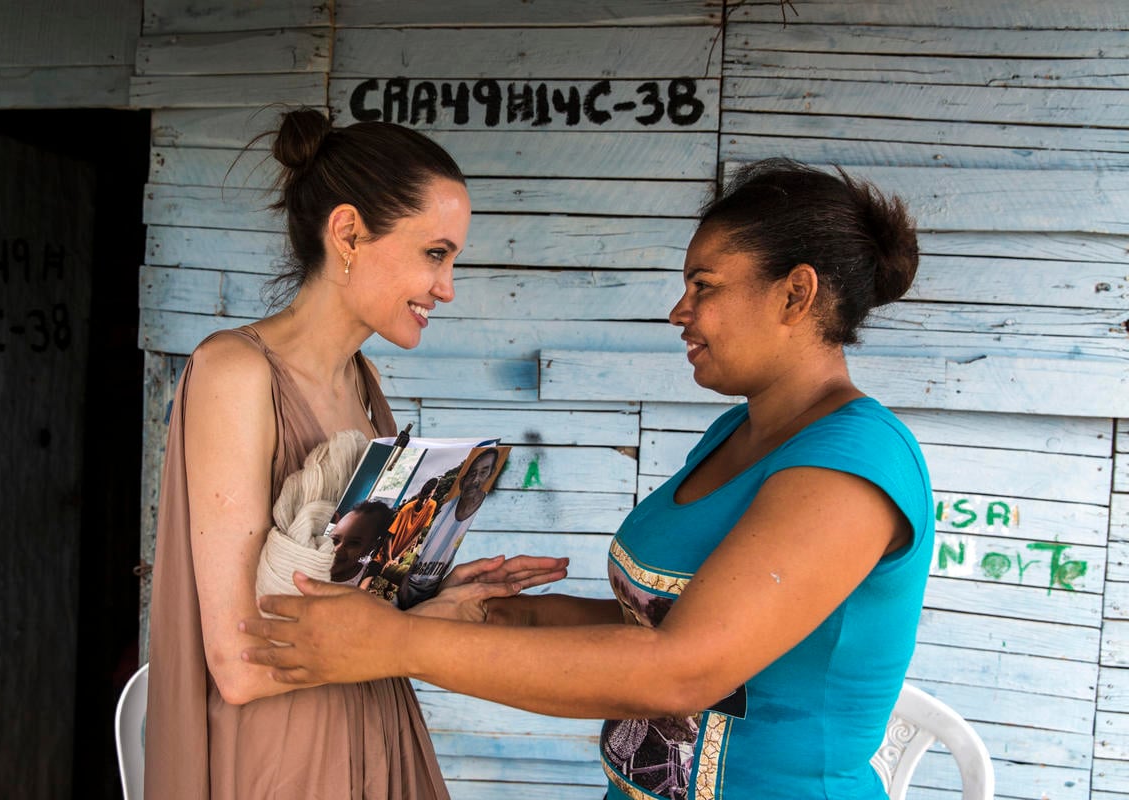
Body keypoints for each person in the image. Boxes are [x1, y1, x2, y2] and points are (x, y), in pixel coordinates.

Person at [240, 158, 936, 799]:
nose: (680, 311)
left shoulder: (855, 467)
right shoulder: (740, 434)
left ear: (796, 294)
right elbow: (663, 619)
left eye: (705, 285)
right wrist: (497, 614)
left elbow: (683, 669)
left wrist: (395, 645)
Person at [143, 108, 569, 800]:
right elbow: (240, 663)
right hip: (285, 753)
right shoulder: (235, 372)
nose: (447, 287)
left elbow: (348, 602)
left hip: (372, 722)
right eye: (435, 254)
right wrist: (419, 632)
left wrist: (446, 598)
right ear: (347, 233)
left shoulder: (362, 384)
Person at [397, 448, 501, 608]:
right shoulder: (446, 509)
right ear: (462, 480)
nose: (475, 480)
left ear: (491, 474)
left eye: (483, 472)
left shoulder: (486, 515)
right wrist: (404, 583)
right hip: (409, 589)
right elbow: (419, 553)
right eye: (472, 473)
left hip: (440, 599)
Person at [329, 501, 397, 587]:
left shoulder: (366, 581)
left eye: (353, 543)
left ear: (369, 548)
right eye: (334, 539)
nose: (337, 550)